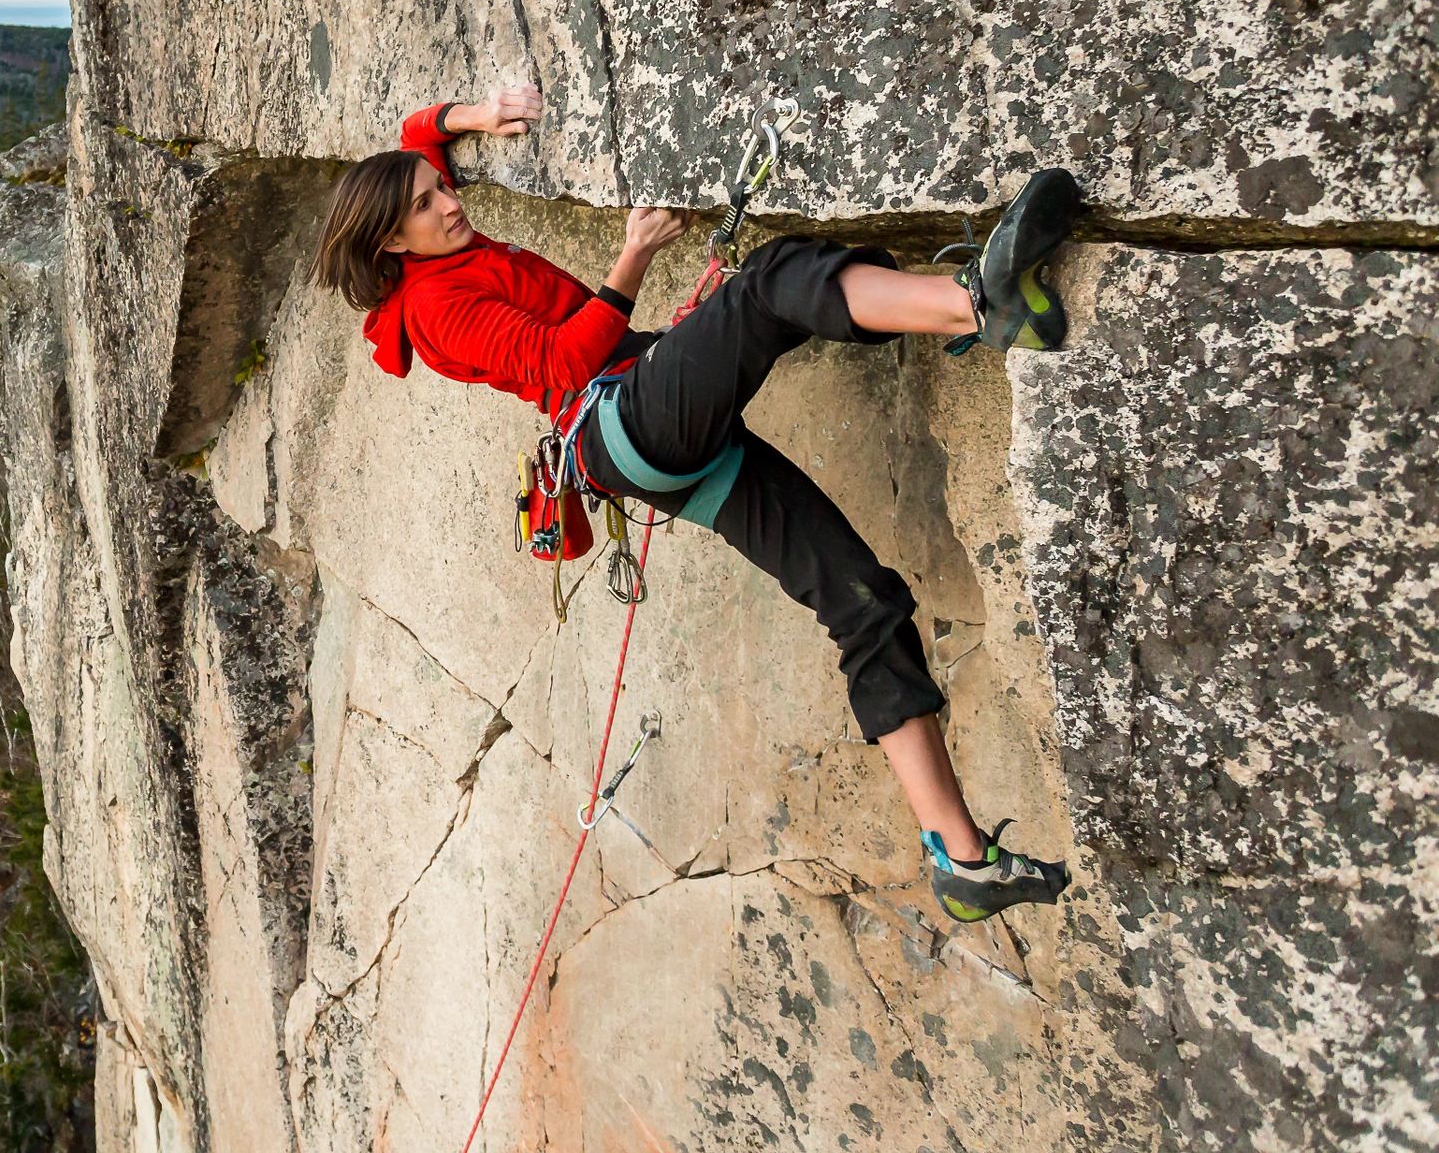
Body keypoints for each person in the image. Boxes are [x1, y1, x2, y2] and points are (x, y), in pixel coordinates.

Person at [310, 83, 1075, 923]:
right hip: (622, 419)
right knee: (769, 282)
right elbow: (563, 361)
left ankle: (962, 860)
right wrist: (633, 254)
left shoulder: (427, 231)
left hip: (647, 440)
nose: (449, 202)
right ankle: (978, 302)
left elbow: (414, 135)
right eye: (426, 205)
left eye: (440, 187)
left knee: (863, 601)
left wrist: (473, 119)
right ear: (393, 239)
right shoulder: (437, 308)